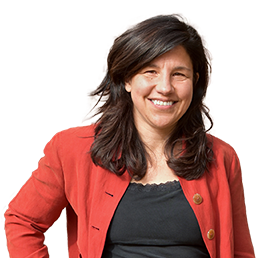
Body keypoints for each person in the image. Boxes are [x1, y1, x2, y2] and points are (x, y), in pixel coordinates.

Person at [4, 14, 254, 258]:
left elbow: (240, 251)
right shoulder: (72, 149)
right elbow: (22, 221)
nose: (165, 88)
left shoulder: (222, 158)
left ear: (195, 82)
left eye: (179, 74)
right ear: (126, 79)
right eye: (150, 71)